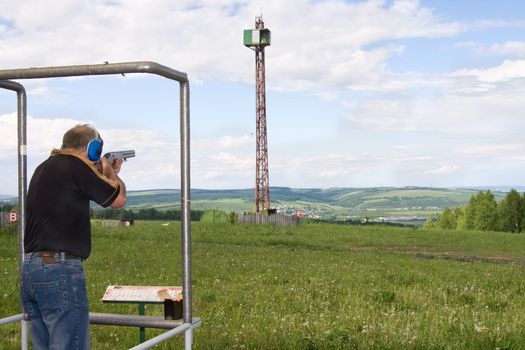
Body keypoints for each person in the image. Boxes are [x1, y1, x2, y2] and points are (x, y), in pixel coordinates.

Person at [21, 124, 127, 350]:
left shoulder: (43, 168)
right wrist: (109, 172)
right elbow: (118, 199)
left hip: (31, 270)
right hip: (59, 269)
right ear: (93, 149)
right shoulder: (76, 167)